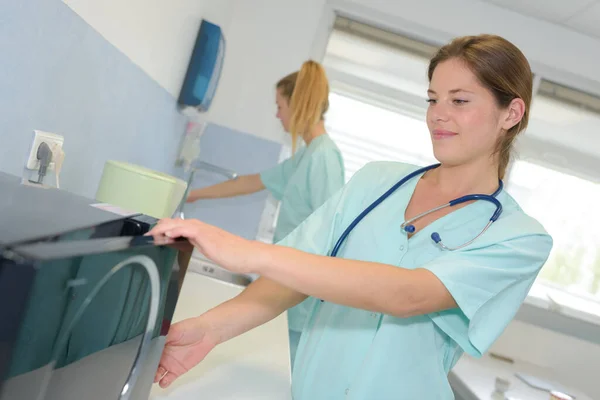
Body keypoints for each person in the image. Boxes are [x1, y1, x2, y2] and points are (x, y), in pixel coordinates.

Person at [148, 34, 553, 399]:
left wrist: (250, 253)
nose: (437, 115)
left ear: (511, 113)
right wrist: (212, 329)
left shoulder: (518, 237)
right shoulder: (375, 182)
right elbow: (291, 280)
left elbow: (408, 295)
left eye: (459, 101)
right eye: (432, 99)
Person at [186, 60, 345, 367]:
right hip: (289, 284)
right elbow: (253, 182)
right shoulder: (308, 156)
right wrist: (194, 194)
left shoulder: (324, 157)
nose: (277, 115)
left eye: (279, 105)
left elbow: (333, 234)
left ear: (296, 105)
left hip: (304, 294)